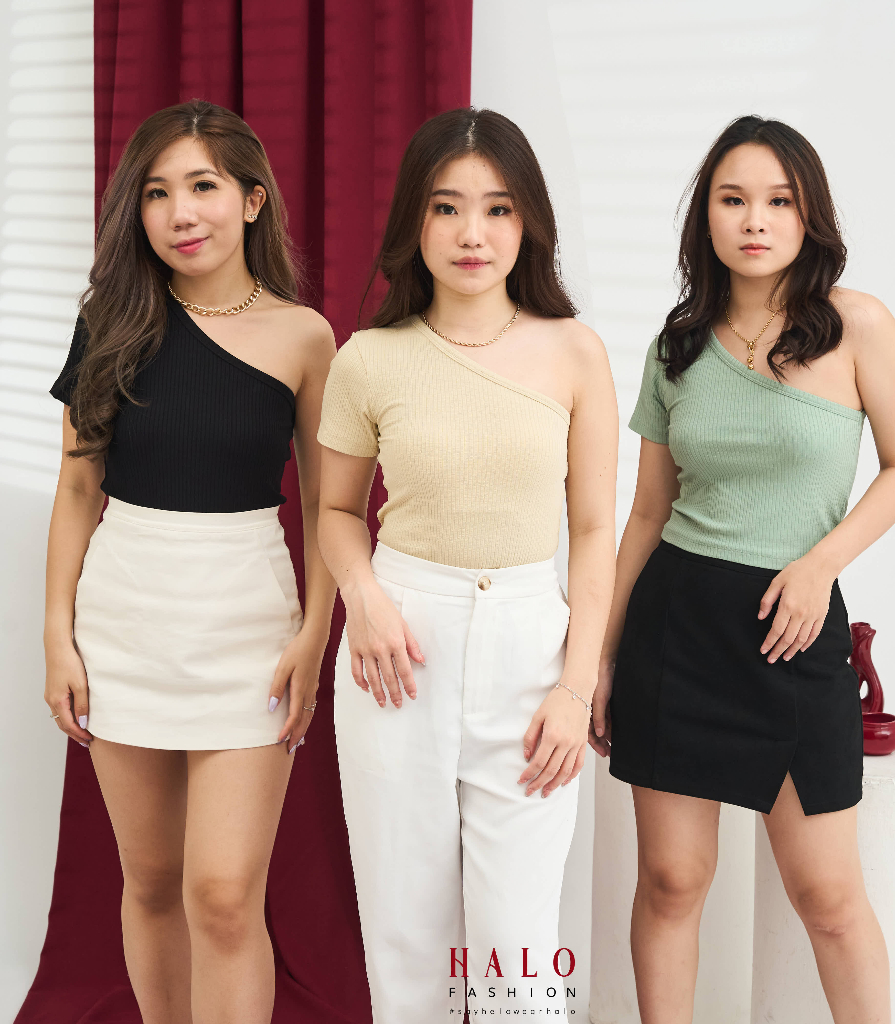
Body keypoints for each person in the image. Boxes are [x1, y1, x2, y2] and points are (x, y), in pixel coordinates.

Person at [592, 115, 895, 1024]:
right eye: (733, 199)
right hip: (677, 627)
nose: (755, 220)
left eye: (779, 201)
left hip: (793, 627)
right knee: (672, 880)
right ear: (704, 215)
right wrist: (603, 658)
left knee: (828, 896)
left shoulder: (857, 326)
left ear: (809, 214)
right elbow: (648, 513)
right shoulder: (677, 345)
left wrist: (822, 564)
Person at [316, 107, 617, 1022]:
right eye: (446, 207)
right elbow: (335, 511)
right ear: (415, 219)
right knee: (405, 937)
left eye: (497, 208)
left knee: (516, 954)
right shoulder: (369, 359)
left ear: (528, 223)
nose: (472, 233)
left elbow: (593, 530)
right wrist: (363, 596)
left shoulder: (574, 351)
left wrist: (575, 688)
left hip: (531, 649)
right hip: (398, 648)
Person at [43, 100, 336, 1024]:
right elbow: (77, 487)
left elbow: (328, 506)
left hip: (249, 626)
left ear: (252, 199)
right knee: (150, 879)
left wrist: (314, 635)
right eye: (157, 193)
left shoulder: (304, 336)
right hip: (124, 620)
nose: (180, 213)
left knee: (223, 894)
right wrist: (57, 637)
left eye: (203, 186)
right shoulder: (108, 322)